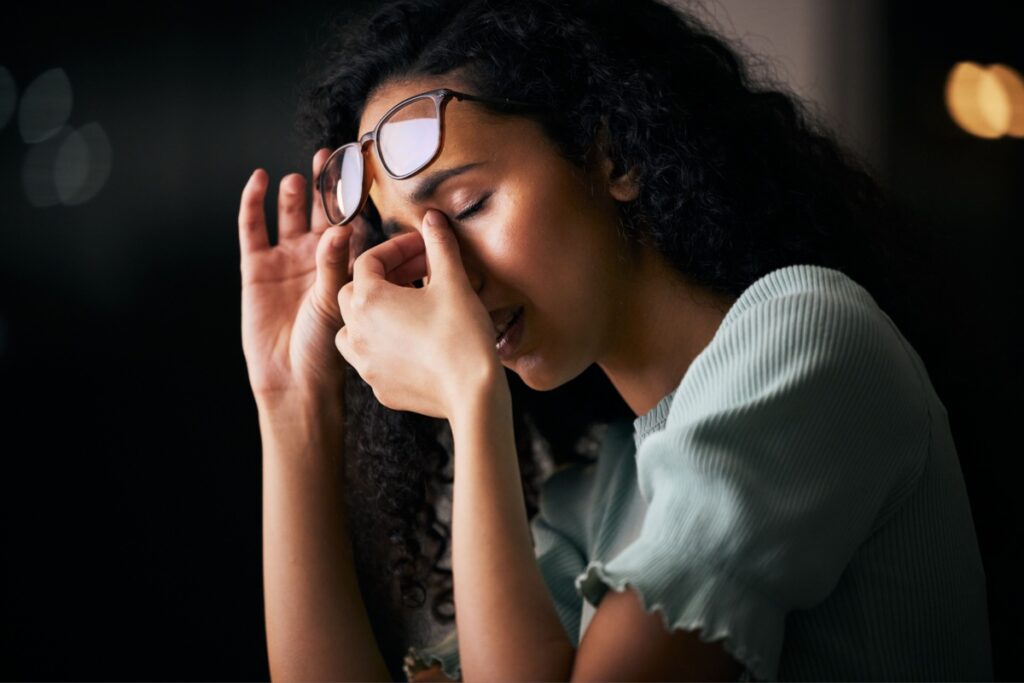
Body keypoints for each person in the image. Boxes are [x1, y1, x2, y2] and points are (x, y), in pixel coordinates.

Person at [238, 0, 993, 680]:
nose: (445, 282)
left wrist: (471, 396)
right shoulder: (605, 494)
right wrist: (295, 403)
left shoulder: (809, 340)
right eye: (408, 242)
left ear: (616, 155)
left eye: (466, 207)